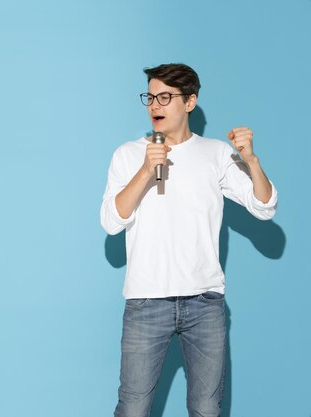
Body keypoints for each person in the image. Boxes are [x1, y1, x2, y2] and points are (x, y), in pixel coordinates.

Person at [100, 64, 277, 417]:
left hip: (204, 304)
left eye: (165, 97)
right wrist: (145, 172)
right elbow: (111, 222)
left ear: (190, 101)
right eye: (150, 97)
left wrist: (252, 161)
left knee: (206, 409)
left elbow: (264, 206)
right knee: (132, 408)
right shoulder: (128, 154)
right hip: (146, 302)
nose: (155, 105)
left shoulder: (216, 153)